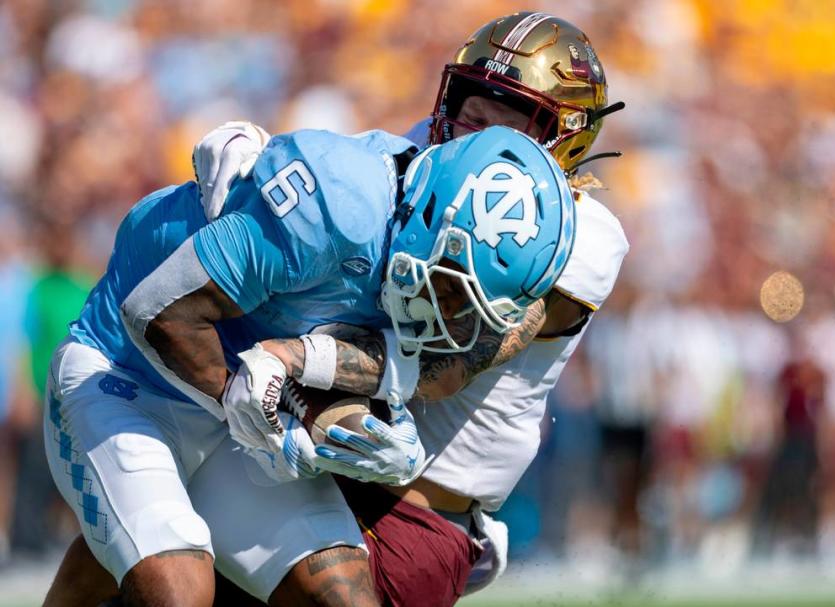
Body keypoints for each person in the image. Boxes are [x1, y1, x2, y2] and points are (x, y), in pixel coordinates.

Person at [186, 12, 628, 606]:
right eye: (475, 100)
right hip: (307, 462)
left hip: (412, 511)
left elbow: (446, 364)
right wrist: (260, 170)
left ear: (565, 135)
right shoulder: (425, 151)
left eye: (512, 114)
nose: (480, 127)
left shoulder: (584, 236)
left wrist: (293, 356)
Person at [41, 124, 576, 607]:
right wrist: (255, 411)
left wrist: (361, 427)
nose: (451, 315)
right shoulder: (340, 203)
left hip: (228, 400)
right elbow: (158, 312)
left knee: (343, 596)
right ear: (431, 218)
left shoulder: (428, 242)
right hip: (125, 374)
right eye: (451, 289)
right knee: (178, 587)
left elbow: (397, 361)